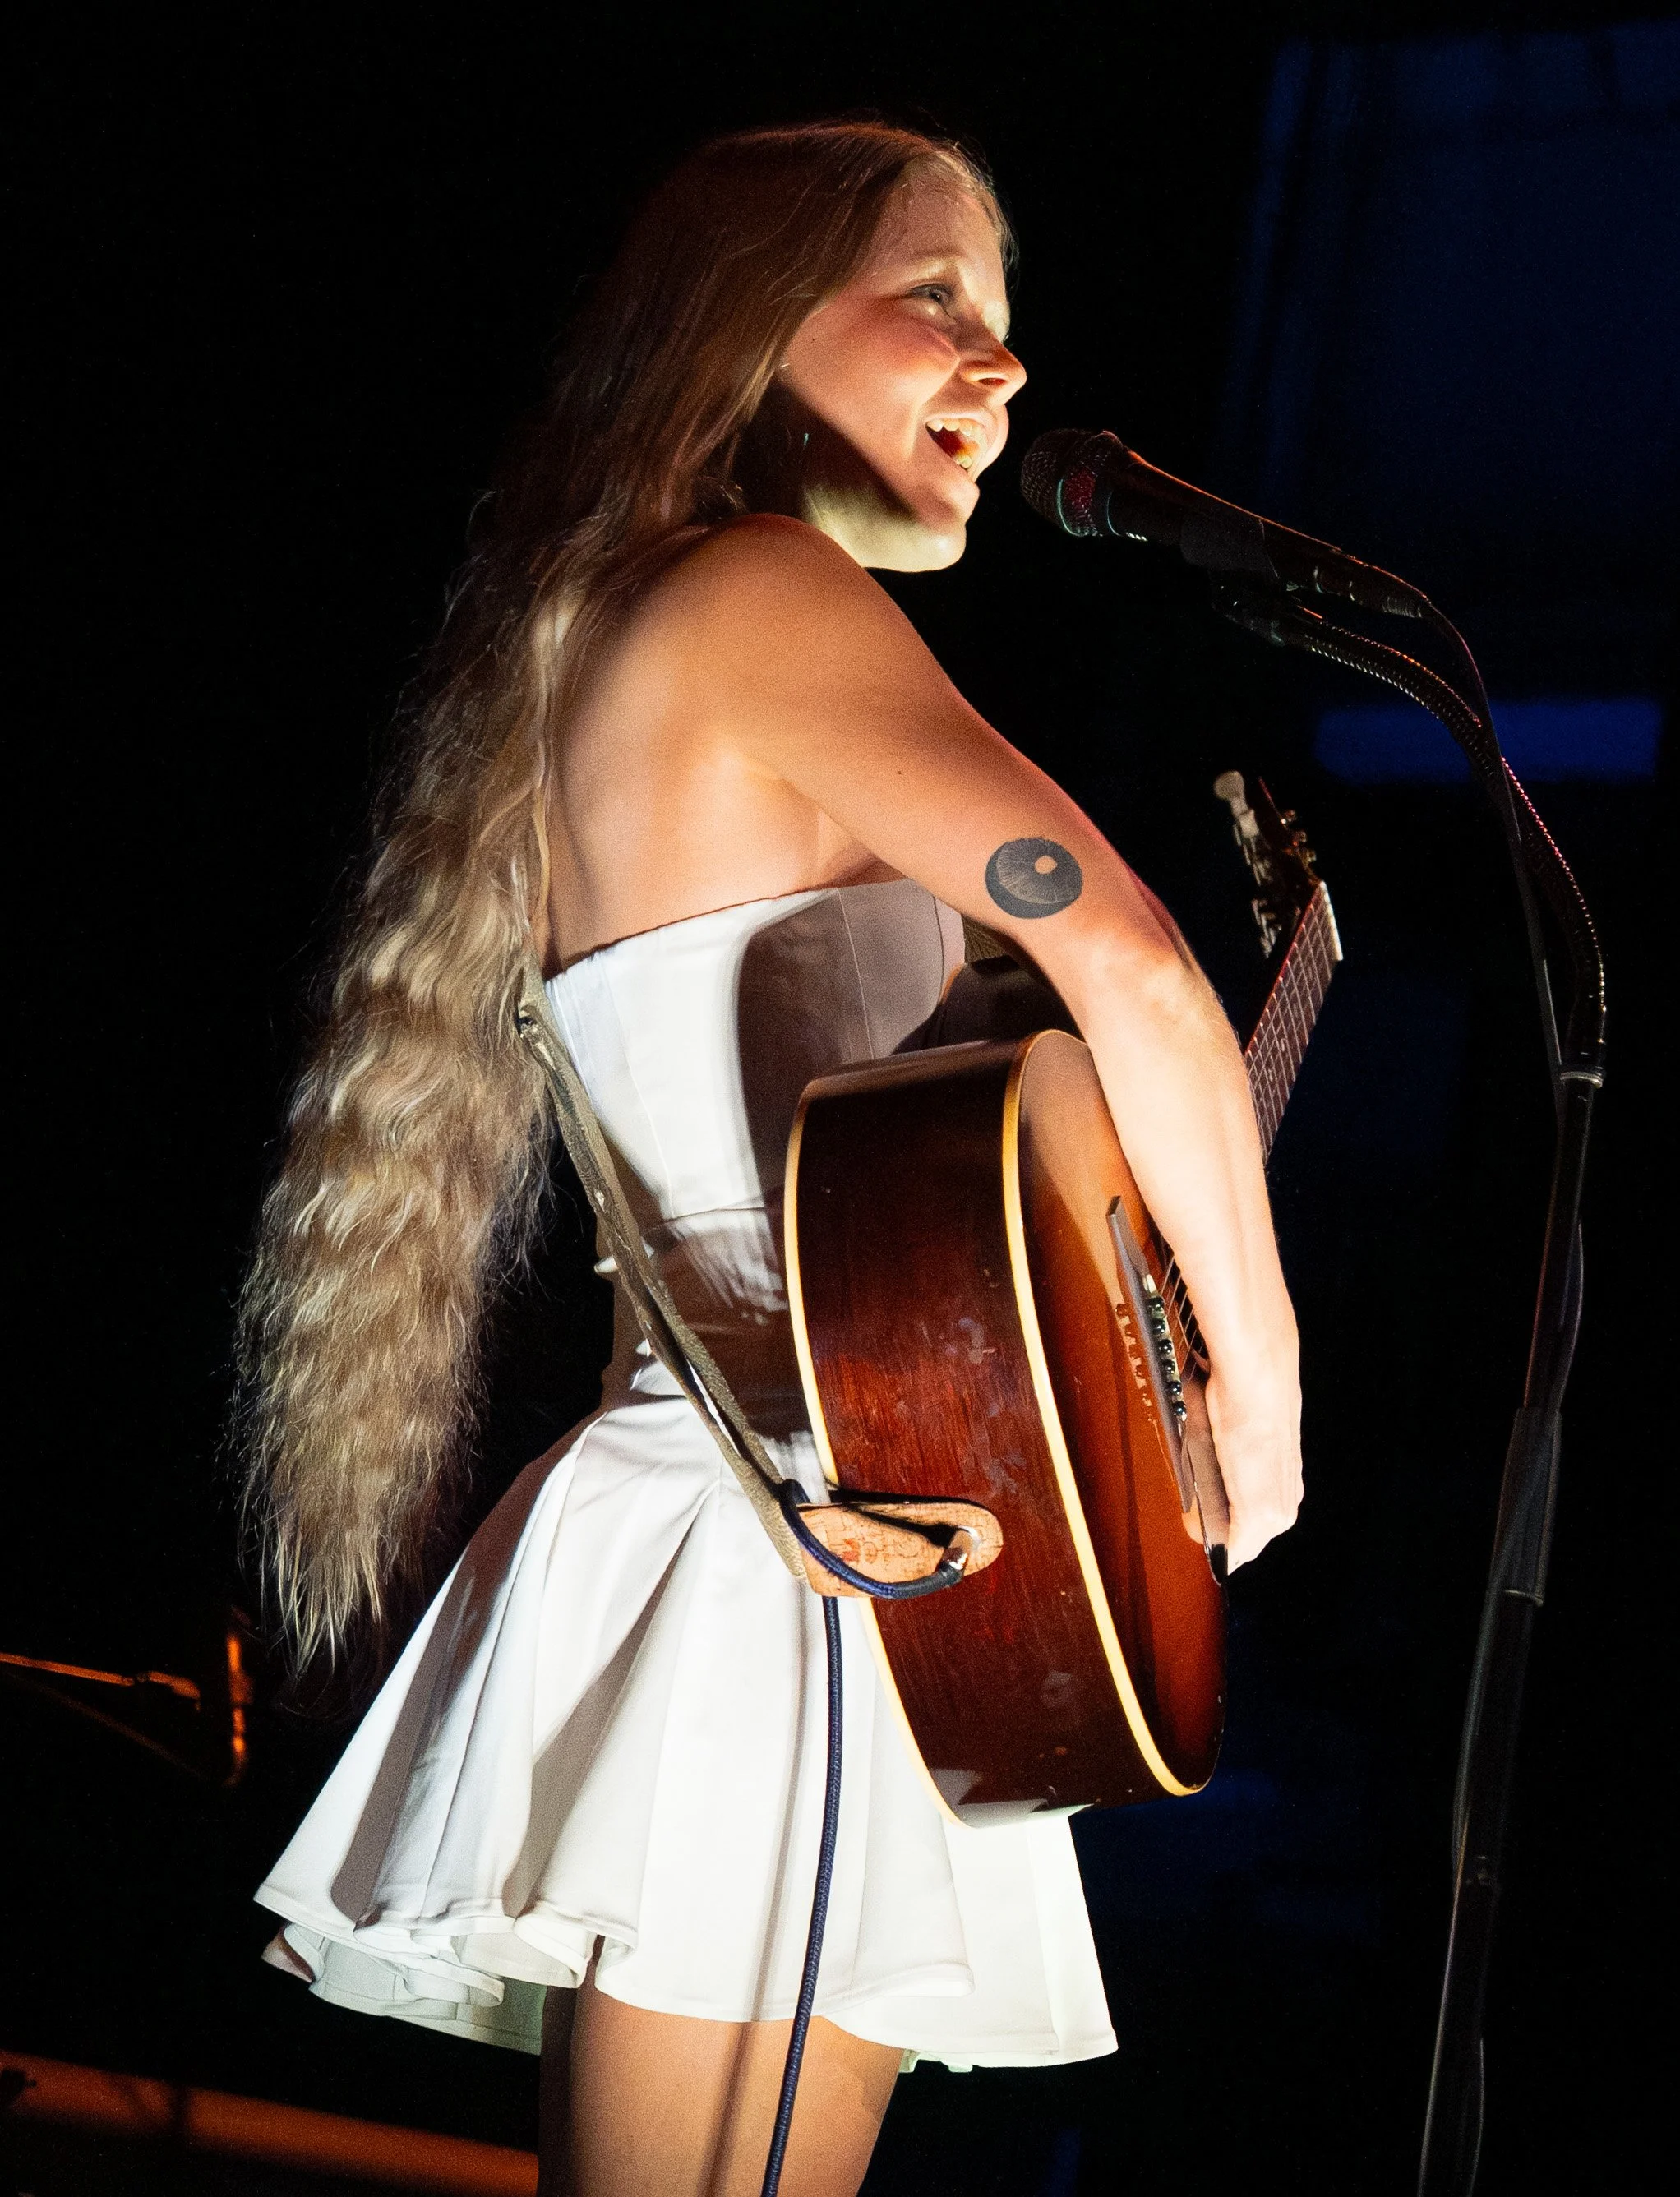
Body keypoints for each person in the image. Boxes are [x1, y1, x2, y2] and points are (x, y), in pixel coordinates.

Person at [240, 121, 1301, 2197]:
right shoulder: (750, 587)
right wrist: (1254, 1404)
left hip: (815, 1531)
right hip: (786, 1559)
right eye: (933, 297)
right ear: (744, 320)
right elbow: (1135, 969)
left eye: (1004, 318)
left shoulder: (670, 623)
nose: (1000, 363)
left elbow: (940, 1159)